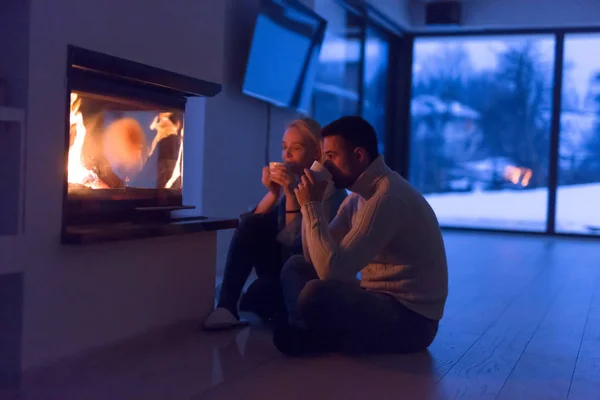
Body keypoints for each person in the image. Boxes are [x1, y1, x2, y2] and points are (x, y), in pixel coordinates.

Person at [275, 116, 448, 356]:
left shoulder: (387, 198)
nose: (326, 165)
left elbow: (330, 271)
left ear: (359, 156)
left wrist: (311, 206)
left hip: (414, 321)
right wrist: (312, 202)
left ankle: (313, 337)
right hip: (375, 298)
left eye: (332, 157)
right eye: (324, 158)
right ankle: (309, 334)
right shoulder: (357, 197)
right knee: (297, 266)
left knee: (316, 292)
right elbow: (312, 257)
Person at [203, 118, 347, 330]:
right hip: (279, 273)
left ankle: (258, 302)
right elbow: (248, 227)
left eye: (295, 148)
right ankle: (227, 306)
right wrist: (273, 194)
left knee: (259, 295)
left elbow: (296, 248)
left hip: (302, 280)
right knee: (253, 223)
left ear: (317, 153)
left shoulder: (330, 192)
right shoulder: (298, 183)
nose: (286, 155)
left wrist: (289, 194)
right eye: (284, 148)